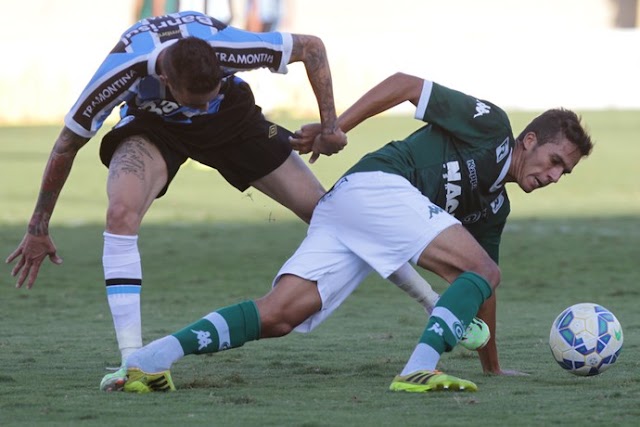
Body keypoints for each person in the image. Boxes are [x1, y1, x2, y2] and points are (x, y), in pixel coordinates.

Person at [5, 12, 438, 392]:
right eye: (199, 99)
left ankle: (433, 306)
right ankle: (132, 362)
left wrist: (330, 125)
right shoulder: (123, 72)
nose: (204, 102)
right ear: (167, 82)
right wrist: (38, 226)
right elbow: (65, 144)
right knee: (120, 211)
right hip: (153, 126)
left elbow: (311, 47)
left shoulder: (229, 50)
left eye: (211, 91)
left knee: (331, 211)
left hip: (234, 122)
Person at [116, 72, 594, 393]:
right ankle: (418, 368)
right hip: (374, 186)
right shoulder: (492, 127)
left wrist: (491, 365)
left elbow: (479, 287)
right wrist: (335, 126)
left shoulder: (494, 205)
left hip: (353, 212)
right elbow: (407, 85)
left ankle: (151, 359)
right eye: (554, 161)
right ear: (529, 141)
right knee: (482, 268)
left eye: (564, 174)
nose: (553, 176)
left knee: (280, 315)